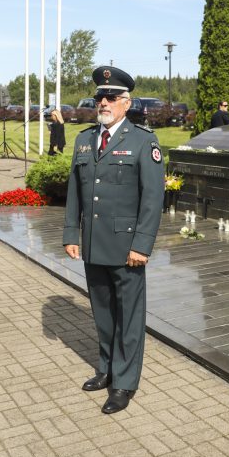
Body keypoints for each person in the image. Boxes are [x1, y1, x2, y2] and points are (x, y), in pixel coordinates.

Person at [63, 66, 164, 414]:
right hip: (93, 243)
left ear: (126, 102)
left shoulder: (142, 141)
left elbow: (152, 198)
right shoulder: (84, 139)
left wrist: (142, 245)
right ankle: (106, 368)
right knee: (103, 313)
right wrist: (69, 234)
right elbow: (75, 191)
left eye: (111, 97)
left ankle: (124, 381)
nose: (103, 102)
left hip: (126, 247)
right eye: (99, 97)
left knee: (129, 318)